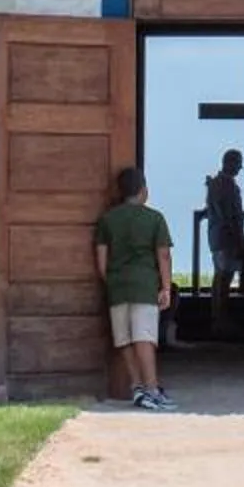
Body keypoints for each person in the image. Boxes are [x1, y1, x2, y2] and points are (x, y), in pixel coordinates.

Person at [91, 166, 177, 411]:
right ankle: (152, 389)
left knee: (125, 339)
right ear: (144, 191)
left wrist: (112, 280)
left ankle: (137, 386)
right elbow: (163, 255)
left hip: (118, 287)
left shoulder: (108, 220)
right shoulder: (154, 219)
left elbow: (101, 260)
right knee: (145, 338)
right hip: (144, 286)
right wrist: (166, 288)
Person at [202, 148, 244, 320]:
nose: (239, 168)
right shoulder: (227, 185)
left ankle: (217, 317)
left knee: (219, 278)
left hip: (216, 236)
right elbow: (229, 215)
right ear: (230, 163)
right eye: (238, 163)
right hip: (226, 237)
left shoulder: (214, 183)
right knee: (224, 280)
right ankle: (221, 318)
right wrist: (238, 237)